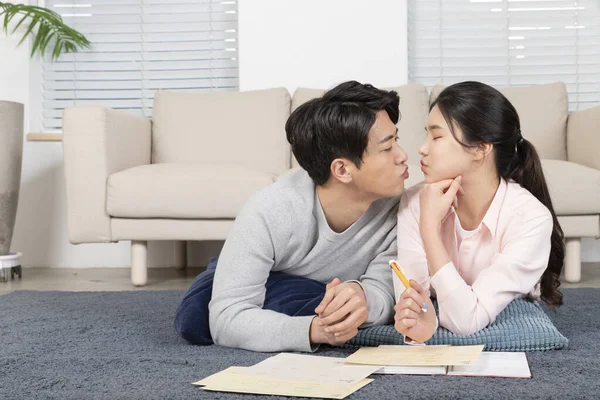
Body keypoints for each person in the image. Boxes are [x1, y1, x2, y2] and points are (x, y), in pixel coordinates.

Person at [175, 81, 411, 352]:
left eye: (397, 140)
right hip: (273, 276)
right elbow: (227, 318)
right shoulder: (271, 209)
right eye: (387, 147)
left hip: (331, 289)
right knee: (195, 316)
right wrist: (313, 330)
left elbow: (383, 289)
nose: (403, 156)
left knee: (330, 300)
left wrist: (361, 298)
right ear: (342, 170)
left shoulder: (400, 210)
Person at [393, 81, 564, 342]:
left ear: (481, 148)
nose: (422, 148)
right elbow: (415, 300)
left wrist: (429, 229)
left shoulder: (530, 219)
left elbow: (465, 321)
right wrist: (417, 314)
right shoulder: (415, 200)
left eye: (436, 137)